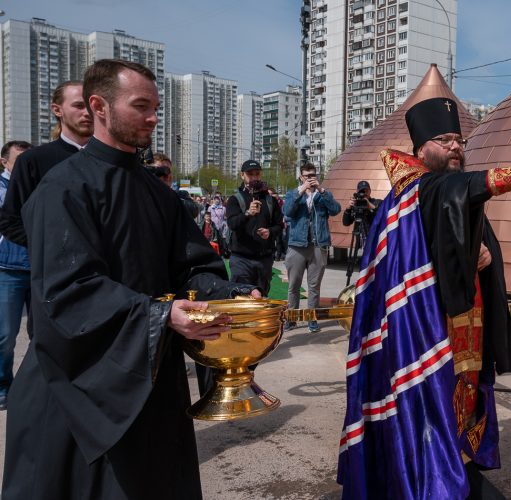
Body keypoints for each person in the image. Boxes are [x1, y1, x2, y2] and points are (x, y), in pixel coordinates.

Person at [2, 58, 261, 499]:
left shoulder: (160, 194)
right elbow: (67, 291)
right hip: (77, 386)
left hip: (152, 378)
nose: (154, 117)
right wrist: (161, 314)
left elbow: (193, 266)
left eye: (157, 107)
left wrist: (230, 295)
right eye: (142, 106)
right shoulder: (63, 188)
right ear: (99, 106)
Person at [336, 97, 511, 499]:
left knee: (461, 409)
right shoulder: (416, 190)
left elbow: (456, 238)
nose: (455, 147)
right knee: (427, 413)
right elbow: (456, 189)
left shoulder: (445, 193)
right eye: (444, 140)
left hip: (463, 329)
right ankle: (427, 485)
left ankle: (458, 474)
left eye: (459, 140)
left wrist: (475, 257)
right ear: (419, 151)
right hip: (422, 336)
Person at [0, 80, 92, 247]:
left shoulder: (114, 159)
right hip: (53, 268)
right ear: (57, 110)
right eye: (79, 105)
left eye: (92, 106)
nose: (87, 113)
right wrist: (50, 248)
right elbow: (10, 221)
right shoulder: (32, 160)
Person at [283, 163, 341, 332]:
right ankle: (291, 318)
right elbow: (287, 211)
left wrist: (322, 191)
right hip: (297, 245)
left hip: (318, 244)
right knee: (294, 285)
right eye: (307, 176)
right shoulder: (293, 194)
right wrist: (301, 190)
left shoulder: (322, 195)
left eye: (313, 175)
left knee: (314, 286)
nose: (310, 178)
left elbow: (336, 209)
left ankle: (311, 318)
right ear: (301, 177)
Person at [0, 140, 32, 411]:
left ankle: (39, 388)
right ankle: (3, 387)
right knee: (6, 335)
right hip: (7, 271)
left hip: (38, 271)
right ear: (4, 161)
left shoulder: (38, 186)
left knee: (44, 333)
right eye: (19, 160)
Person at [225, 159, 283, 296]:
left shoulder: (270, 200)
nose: (254, 177)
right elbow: (232, 224)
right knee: (241, 300)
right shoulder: (235, 199)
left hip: (264, 259)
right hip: (241, 259)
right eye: (250, 174)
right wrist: (247, 214)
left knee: (261, 300)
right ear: (242, 175)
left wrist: (270, 232)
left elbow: (279, 226)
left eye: (257, 173)